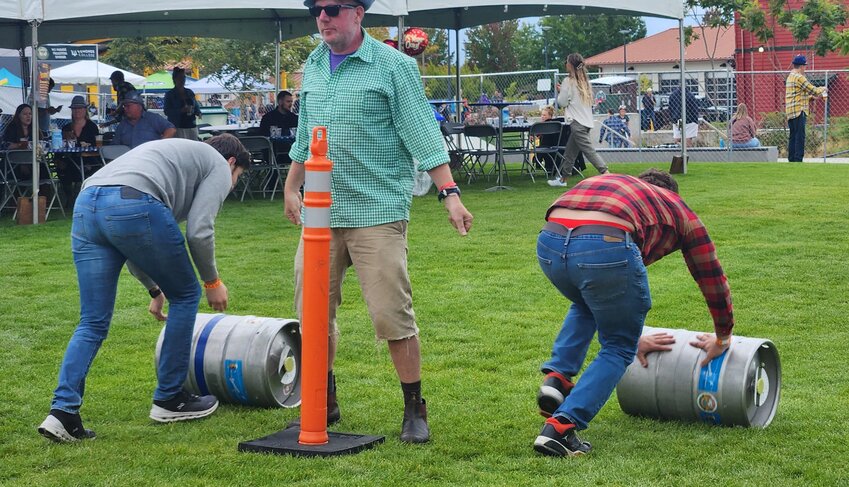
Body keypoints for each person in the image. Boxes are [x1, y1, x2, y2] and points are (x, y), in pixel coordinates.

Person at [284, 0, 473, 444]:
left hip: (377, 211)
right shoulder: (312, 64)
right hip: (320, 214)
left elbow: (423, 133)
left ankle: (414, 408)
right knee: (312, 314)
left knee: (392, 316)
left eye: (331, 8)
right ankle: (322, 399)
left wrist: (450, 195)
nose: (323, 17)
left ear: (358, 13)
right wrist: (293, 186)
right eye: (316, 9)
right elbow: (304, 134)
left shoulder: (393, 66)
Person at [37, 135, 251, 443]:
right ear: (232, 163)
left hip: (88, 203)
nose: (231, 187)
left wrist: (154, 289)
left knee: (92, 321)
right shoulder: (218, 163)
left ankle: (63, 413)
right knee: (187, 294)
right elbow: (199, 231)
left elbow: (134, 238)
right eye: (237, 179)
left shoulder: (175, 161)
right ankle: (170, 398)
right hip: (132, 201)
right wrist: (212, 282)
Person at [533, 169, 735, 457]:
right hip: (605, 245)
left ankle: (557, 379)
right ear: (671, 194)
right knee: (618, 347)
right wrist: (723, 336)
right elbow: (711, 277)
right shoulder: (679, 209)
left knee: (588, 301)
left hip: (549, 242)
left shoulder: (614, 182)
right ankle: (561, 429)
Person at [549, 53, 609, 187]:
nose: (565, 63)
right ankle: (563, 179)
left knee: (588, 151)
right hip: (586, 122)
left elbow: (562, 102)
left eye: (566, 61)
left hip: (576, 122)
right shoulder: (585, 82)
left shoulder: (567, 81)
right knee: (570, 152)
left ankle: (606, 173)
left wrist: (560, 91)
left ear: (570, 65)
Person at [55, 96, 101, 208]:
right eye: (75, 108)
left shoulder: (92, 127)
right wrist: (57, 159)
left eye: (80, 108)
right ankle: (69, 197)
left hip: (88, 160)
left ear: (85, 110)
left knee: (87, 169)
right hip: (70, 159)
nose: (77, 111)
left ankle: (80, 197)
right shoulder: (66, 127)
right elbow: (60, 147)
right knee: (62, 168)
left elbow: (95, 146)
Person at [785, 54, 827, 162]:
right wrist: (823, 88)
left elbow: (796, 94)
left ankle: (792, 159)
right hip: (799, 111)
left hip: (791, 110)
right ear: (801, 66)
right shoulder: (799, 77)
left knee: (793, 136)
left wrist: (810, 98)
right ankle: (798, 160)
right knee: (800, 137)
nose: (805, 68)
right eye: (805, 66)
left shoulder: (790, 76)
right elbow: (813, 89)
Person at [163, 67, 201, 140]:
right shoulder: (170, 94)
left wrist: (198, 112)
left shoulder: (189, 92)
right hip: (177, 127)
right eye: (180, 78)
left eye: (184, 77)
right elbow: (166, 111)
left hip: (191, 126)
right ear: (174, 79)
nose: (182, 80)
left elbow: (196, 105)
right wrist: (181, 110)